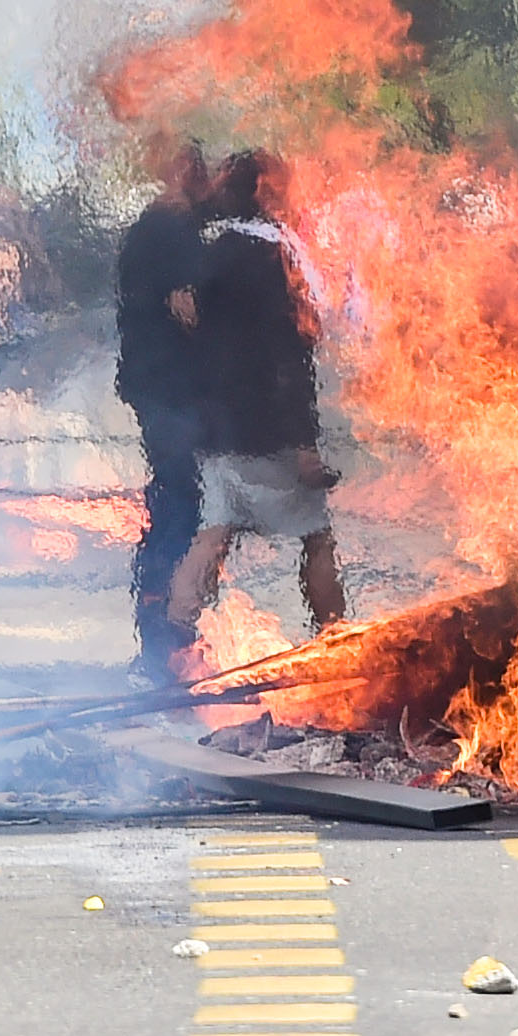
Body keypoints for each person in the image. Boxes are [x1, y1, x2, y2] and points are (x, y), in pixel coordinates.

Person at [170, 152, 347, 642]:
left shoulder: (209, 256)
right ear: (265, 192)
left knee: (214, 532)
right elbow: (289, 355)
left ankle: (174, 638)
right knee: (316, 537)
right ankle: (335, 637)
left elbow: (188, 322)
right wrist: (306, 444)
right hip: (267, 429)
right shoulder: (277, 259)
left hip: (215, 426)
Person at [116, 141, 213, 676]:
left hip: (155, 385)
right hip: (171, 389)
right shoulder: (172, 231)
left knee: (174, 505)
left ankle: (160, 640)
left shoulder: (149, 229)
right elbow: (187, 310)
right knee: (178, 509)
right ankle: (160, 647)